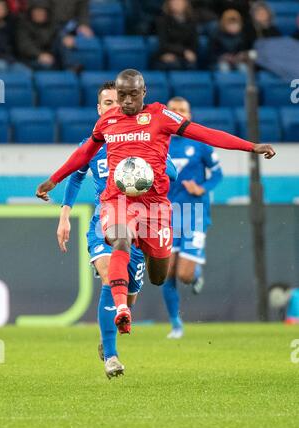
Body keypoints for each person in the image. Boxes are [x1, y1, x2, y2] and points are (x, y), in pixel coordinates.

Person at [36, 68, 275, 338]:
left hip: (155, 207)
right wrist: (53, 180)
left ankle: (143, 274)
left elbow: (204, 133)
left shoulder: (160, 116)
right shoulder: (107, 123)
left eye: (132, 95)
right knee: (120, 240)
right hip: (118, 200)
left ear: (143, 92)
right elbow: (83, 155)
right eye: (122, 95)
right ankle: (121, 309)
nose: (126, 101)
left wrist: (250, 146)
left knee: (159, 276)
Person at [57, 81, 177, 378]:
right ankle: (112, 357)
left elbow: (171, 170)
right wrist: (65, 213)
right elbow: (74, 176)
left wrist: (150, 172)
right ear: (99, 109)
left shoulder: (142, 140)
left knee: (127, 296)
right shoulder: (94, 144)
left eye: (117, 101)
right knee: (109, 274)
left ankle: (109, 331)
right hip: (105, 220)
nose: (114, 107)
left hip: (140, 221)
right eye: (107, 103)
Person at [162, 97, 223, 339]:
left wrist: (203, 187)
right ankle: (176, 324)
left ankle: (195, 275)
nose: (177, 114)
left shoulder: (201, 143)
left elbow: (218, 174)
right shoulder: (158, 142)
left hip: (194, 214)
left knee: (184, 275)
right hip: (164, 215)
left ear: (189, 114)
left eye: (182, 110)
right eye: (173, 110)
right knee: (166, 273)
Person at [155, 0, 198, 70]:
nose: (176, 3)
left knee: (191, 65)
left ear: (185, 4)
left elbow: (195, 44)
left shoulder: (192, 21)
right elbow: (163, 44)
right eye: (173, 1)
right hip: (165, 54)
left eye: (179, 1)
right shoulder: (162, 20)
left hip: (185, 57)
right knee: (174, 65)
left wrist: (188, 53)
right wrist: (183, 51)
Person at [16, 0, 58, 70]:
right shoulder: (23, 25)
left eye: (42, 12)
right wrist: (39, 55)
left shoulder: (53, 26)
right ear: (31, 13)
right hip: (28, 59)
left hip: (50, 58)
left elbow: (57, 44)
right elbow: (24, 45)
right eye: (37, 11)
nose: (39, 14)